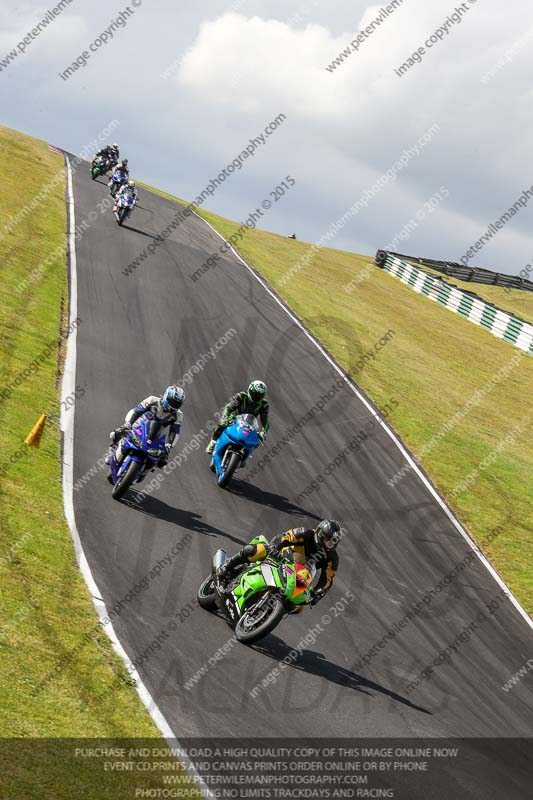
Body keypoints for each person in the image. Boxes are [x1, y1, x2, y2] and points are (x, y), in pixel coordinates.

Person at [217, 519, 342, 604]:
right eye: (328, 540)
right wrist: (274, 548)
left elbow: (327, 580)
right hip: (281, 559)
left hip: (298, 577)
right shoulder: (306, 533)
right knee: (258, 550)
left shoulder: (332, 557)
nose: (330, 544)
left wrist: (319, 593)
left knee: (301, 606)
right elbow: (283, 537)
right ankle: (228, 565)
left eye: (332, 541)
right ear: (320, 534)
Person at [106, 386, 185, 472]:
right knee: (116, 434)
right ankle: (112, 450)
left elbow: (175, 431)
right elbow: (136, 411)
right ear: (166, 396)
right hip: (139, 425)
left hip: (155, 434)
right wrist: (128, 423)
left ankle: (145, 469)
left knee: (162, 461)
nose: (174, 406)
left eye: (177, 404)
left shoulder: (178, 415)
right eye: (172, 402)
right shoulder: (152, 400)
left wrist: (169, 445)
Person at [206, 380, 269, 455]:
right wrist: (225, 417)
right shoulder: (241, 396)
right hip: (234, 419)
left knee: (256, 441)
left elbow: (265, 420)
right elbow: (229, 407)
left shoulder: (264, 404)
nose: (256, 397)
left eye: (259, 396)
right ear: (249, 390)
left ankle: (245, 456)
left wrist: (264, 432)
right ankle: (213, 442)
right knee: (221, 425)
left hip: (250, 424)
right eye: (255, 394)